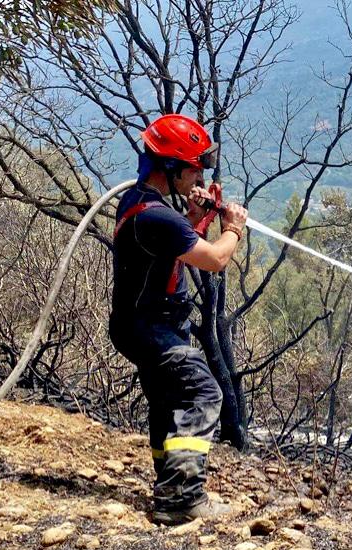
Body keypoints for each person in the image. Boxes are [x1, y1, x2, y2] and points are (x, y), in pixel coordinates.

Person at [108, 114, 247, 525]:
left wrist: (195, 220)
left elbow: (171, 245)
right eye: (194, 169)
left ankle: (169, 486)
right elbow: (217, 259)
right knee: (202, 394)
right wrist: (232, 228)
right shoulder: (154, 216)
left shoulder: (140, 205)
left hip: (139, 325)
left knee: (168, 401)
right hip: (152, 330)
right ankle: (182, 499)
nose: (198, 177)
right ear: (172, 168)